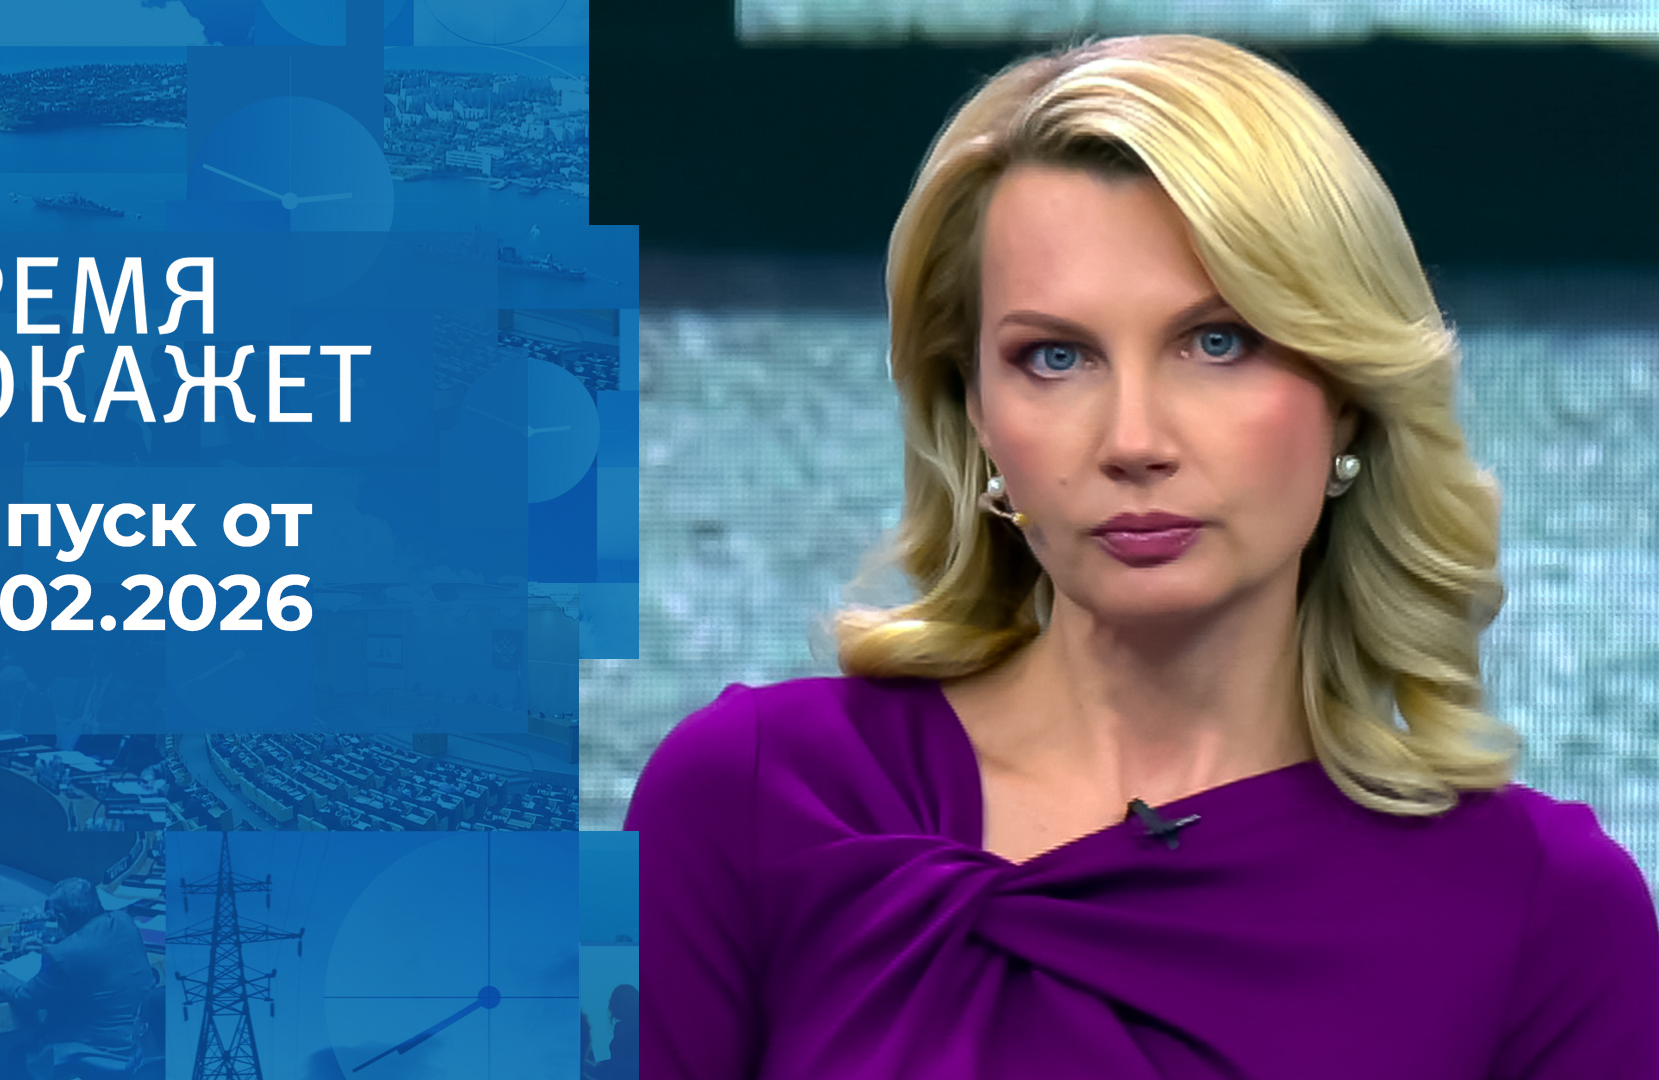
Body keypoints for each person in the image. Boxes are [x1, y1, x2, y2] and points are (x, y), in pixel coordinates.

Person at [623, 34, 1659, 1079]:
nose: (1132, 441)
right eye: (1054, 357)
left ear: (1349, 395)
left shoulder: (1545, 916)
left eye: (1218, 342)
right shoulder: (753, 800)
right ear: (975, 413)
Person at [0, 878, 155, 1080]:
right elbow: (98, 951)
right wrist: (51, 947)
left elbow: (25, 998)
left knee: (18, 1056)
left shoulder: (62, 956)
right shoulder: (124, 922)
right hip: (138, 1045)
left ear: (62, 918)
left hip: (94, 1052)